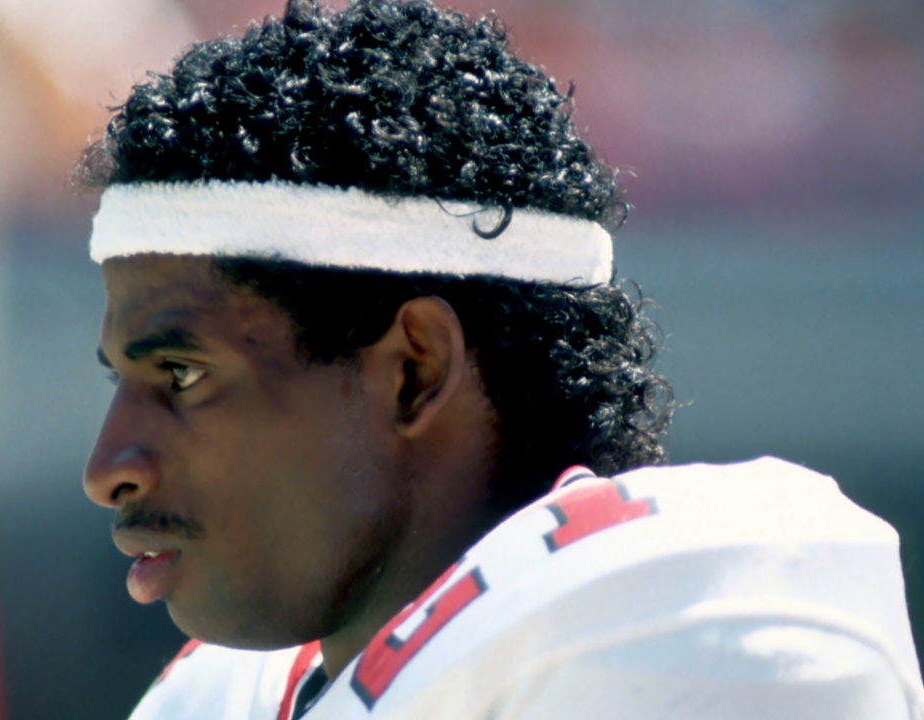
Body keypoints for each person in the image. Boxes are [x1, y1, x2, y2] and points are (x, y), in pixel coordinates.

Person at [77, 0, 924, 717]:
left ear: (414, 368)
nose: (108, 468)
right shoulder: (223, 692)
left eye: (181, 375)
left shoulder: (674, 615)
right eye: (123, 380)